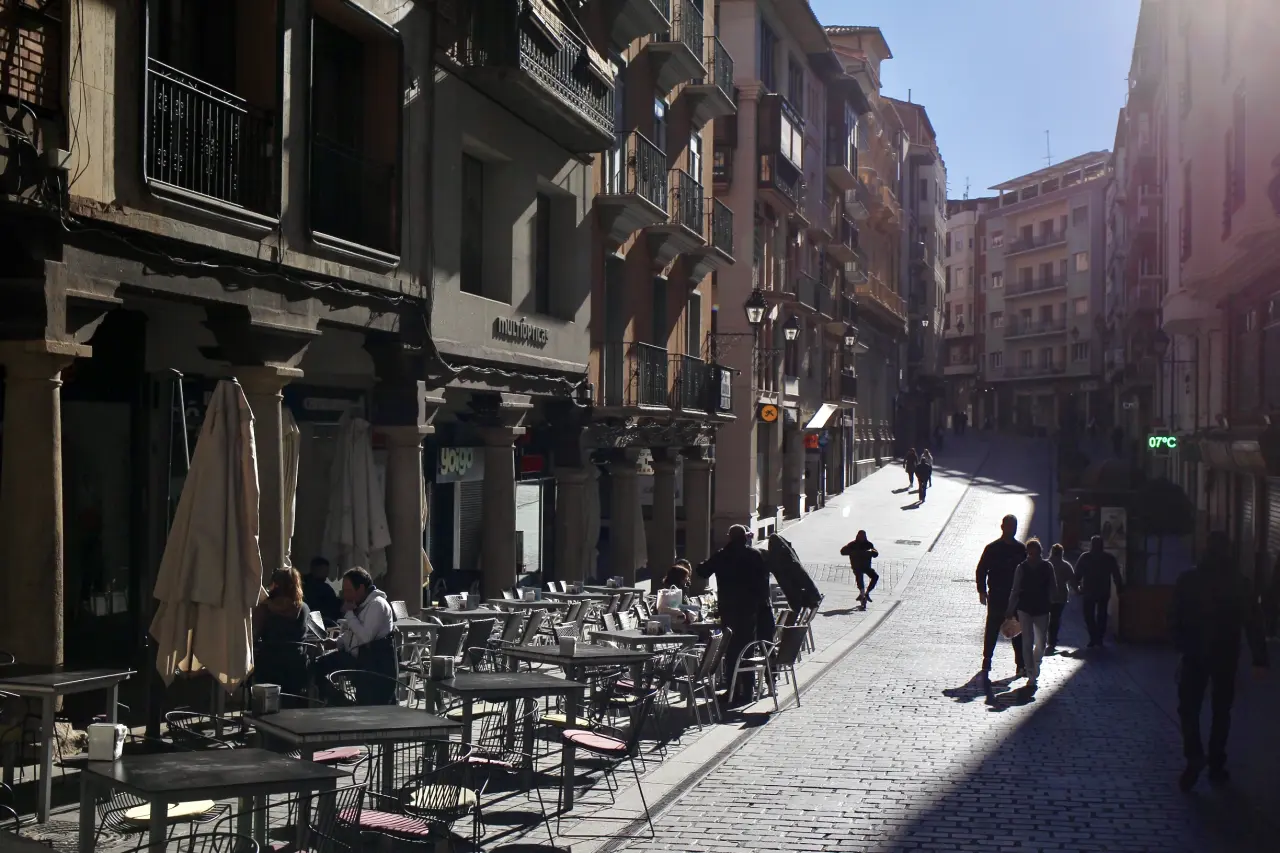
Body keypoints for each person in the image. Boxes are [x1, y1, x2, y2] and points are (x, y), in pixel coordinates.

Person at [1171, 532, 1269, 790]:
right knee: (1221, 709)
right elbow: (1253, 622)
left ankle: (1194, 755)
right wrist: (1259, 659)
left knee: (1188, 708)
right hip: (1226, 653)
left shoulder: (1188, 579)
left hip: (1194, 652)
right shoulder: (1239, 582)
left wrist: (1180, 645)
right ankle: (1216, 763)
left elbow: (1175, 615)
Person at [697, 525, 771, 706]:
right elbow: (764, 583)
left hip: (729, 609)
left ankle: (732, 690)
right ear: (745, 537)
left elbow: (702, 572)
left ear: (729, 537)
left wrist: (703, 562)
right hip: (749, 609)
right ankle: (747, 691)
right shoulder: (755, 555)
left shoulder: (722, 555)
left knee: (730, 650)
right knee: (747, 649)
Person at [314, 567, 398, 704]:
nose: (345, 595)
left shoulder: (377, 605)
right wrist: (337, 642)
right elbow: (351, 633)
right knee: (316, 665)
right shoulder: (359, 604)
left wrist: (349, 614)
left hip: (371, 663)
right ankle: (338, 700)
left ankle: (342, 703)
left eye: (348, 591)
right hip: (356, 657)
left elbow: (365, 638)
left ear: (361, 588)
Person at [976, 514, 1028, 680]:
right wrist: (982, 590)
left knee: (1016, 631)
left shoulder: (1021, 549)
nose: (1012, 530)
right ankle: (987, 659)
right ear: (1002, 527)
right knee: (992, 628)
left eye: (1014, 527)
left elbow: (1027, 573)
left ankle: (1020, 664)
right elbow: (981, 569)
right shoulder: (992, 548)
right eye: (1009, 526)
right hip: (997, 594)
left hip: (1015, 596)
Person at [252, 568, 313, 702]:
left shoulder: (264, 609)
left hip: (269, 665)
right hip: (297, 666)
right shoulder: (304, 608)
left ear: (274, 584)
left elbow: (253, 636)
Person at [1007, 538, 1054, 692]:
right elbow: (1015, 589)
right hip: (1025, 608)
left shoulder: (1047, 567)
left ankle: (1036, 663)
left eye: (1035, 553)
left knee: (1042, 642)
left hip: (1042, 608)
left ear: (1040, 552)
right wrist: (1010, 608)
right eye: (1030, 553)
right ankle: (1031, 674)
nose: (1032, 556)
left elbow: (1053, 586)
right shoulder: (1021, 568)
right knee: (1027, 641)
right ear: (1027, 553)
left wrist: (1053, 600)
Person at [1074, 535, 1125, 647]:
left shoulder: (1085, 557)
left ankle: (1093, 637)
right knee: (1102, 615)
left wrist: (1076, 588)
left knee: (1088, 615)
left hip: (1089, 591)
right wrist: (1119, 589)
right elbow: (1116, 575)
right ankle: (1099, 637)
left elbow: (1077, 574)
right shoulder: (1109, 558)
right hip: (1103, 591)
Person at [1046, 543, 1076, 653]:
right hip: (1061, 596)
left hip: (1047, 596)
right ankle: (1052, 640)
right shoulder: (1066, 565)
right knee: (1055, 618)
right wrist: (1078, 590)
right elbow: (1072, 581)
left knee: (1046, 618)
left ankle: (1048, 639)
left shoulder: (1046, 564)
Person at [840, 531, 879, 608]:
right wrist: (853, 552)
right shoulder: (852, 544)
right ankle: (862, 593)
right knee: (859, 576)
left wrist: (871, 552)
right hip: (857, 567)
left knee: (875, 576)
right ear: (857, 536)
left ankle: (867, 593)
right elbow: (843, 551)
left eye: (863, 536)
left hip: (866, 567)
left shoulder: (868, 544)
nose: (862, 538)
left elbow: (875, 553)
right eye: (860, 536)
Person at [302, 556, 342, 625]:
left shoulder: (303, 583)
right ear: (314, 569)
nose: (326, 575)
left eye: (327, 571)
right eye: (324, 571)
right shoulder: (322, 588)